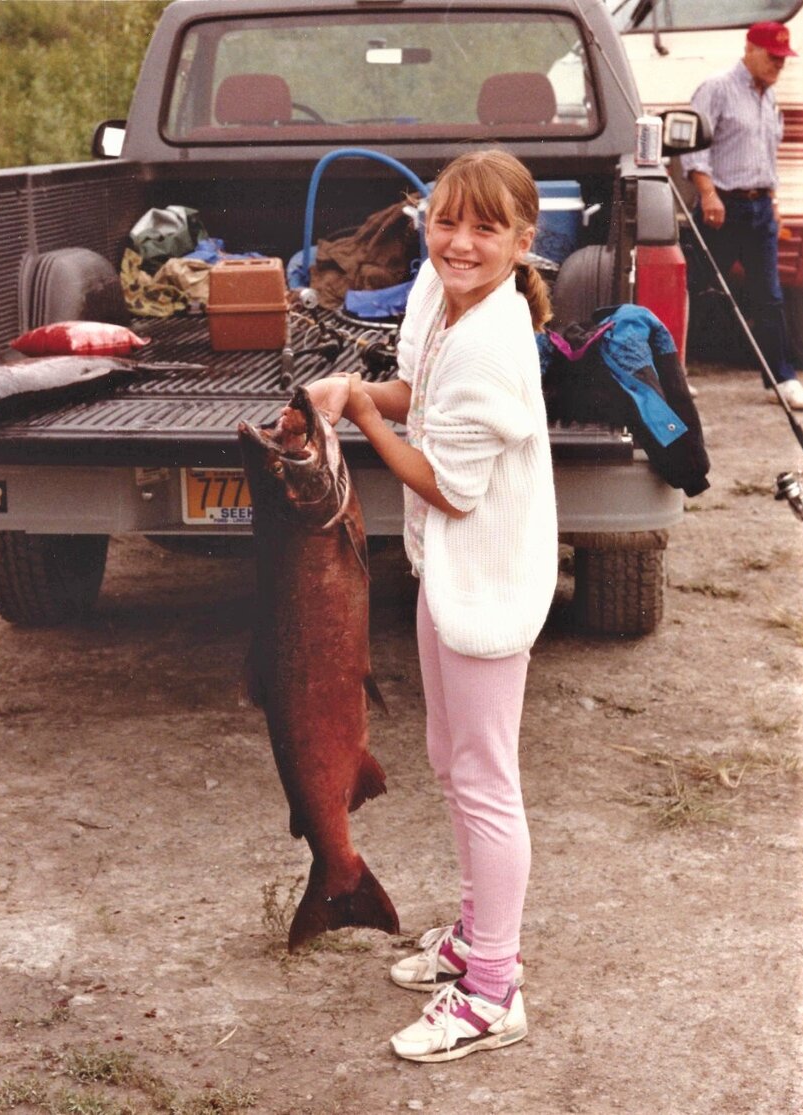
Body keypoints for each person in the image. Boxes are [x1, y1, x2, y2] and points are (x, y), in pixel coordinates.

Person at [306, 149, 558, 1063]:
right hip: (444, 570)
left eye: (486, 230)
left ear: (522, 243)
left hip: (489, 578)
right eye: (447, 221)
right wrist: (355, 389)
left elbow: (449, 485)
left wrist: (365, 423)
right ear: (427, 222)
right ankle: (476, 932)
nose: (460, 242)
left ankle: (494, 988)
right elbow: (414, 392)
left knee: (487, 779)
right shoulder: (432, 294)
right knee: (451, 761)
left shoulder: (496, 340)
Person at [680, 20, 803, 411]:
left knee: (769, 296)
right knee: (695, 289)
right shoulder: (716, 88)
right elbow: (693, 146)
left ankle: (781, 379)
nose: (778, 66)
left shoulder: (768, 99)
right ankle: (674, 371)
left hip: (759, 210)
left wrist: (773, 203)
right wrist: (708, 194)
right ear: (750, 50)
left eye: (783, 60)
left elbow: (767, 156)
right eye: (772, 57)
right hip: (723, 207)